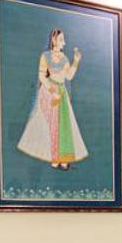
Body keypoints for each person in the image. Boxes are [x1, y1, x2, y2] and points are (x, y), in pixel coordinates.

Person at [15, 29, 87, 169]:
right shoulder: (45, 56)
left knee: (64, 127)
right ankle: (54, 159)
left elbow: (69, 76)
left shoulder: (64, 58)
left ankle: (63, 160)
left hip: (61, 93)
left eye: (63, 40)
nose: (64, 43)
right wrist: (52, 91)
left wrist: (76, 62)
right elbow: (42, 76)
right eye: (61, 40)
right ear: (53, 40)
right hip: (49, 92)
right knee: (52, 127)